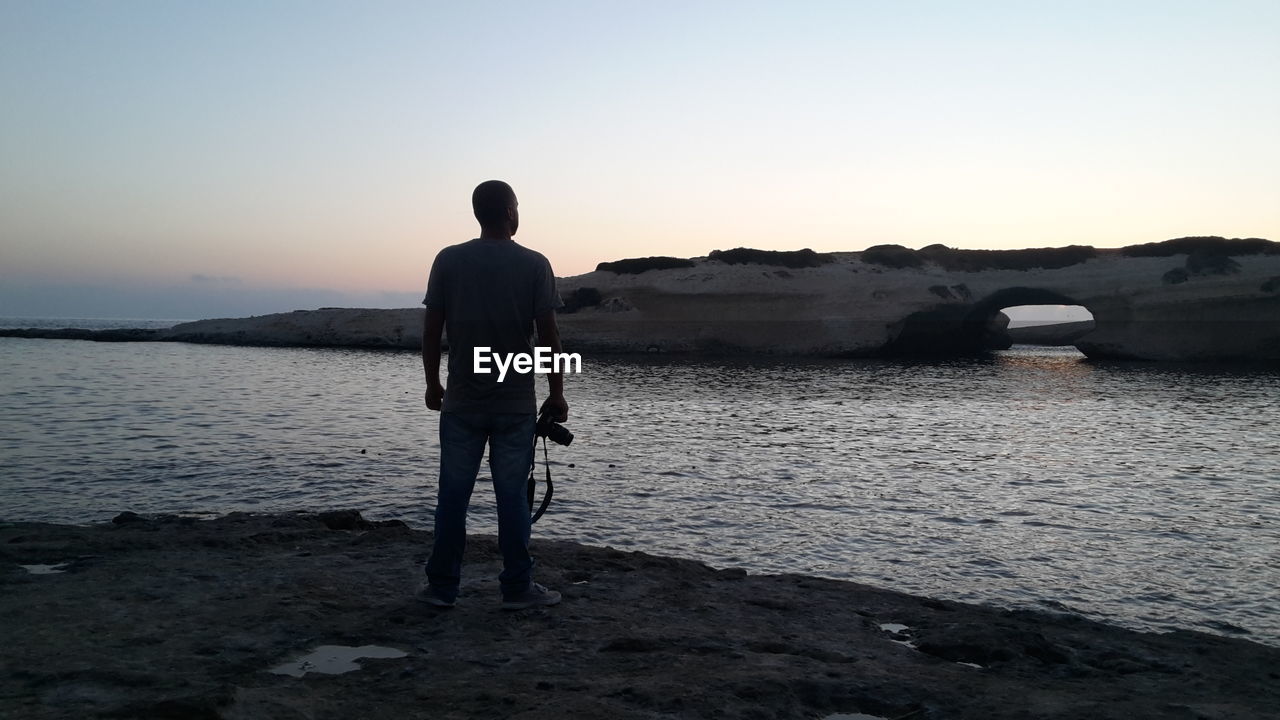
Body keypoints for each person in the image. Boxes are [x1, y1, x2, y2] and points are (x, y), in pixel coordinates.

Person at [417, 180, 569, 611]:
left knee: (452, 497)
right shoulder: (535, 264)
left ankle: (442, 588)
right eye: (517, 207)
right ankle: (517, 588)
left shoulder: (448, 260)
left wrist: (432, 383)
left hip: (461, 403)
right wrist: (556, 393)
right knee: (512, 498)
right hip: (514, 405)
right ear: (507, 213)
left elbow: (432, 331)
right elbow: (549, 337)